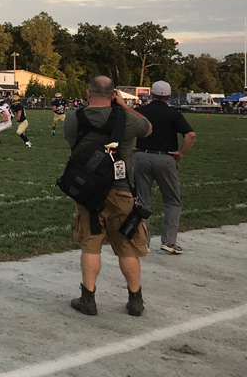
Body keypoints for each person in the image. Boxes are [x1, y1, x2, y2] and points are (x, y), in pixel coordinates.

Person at [64, 76, 152, 317]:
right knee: (127, 247)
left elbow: (72, 144)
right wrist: (123, 106)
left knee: (90, 244)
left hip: (87, 190)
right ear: (113, 94)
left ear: (88, 92)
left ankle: (88, 298)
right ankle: (135, 300)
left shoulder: (74, 117)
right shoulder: (126, 119)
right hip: (121, 188)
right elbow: (148, 128)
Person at [133, 80, 196, 255]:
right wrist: (181, 153)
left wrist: (131, 147)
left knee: (142, 201)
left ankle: (142, 242)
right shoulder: (173, 113)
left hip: (141, 156)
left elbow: (125, 127)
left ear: (151, 94)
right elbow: (190, 135)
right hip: (165, 158)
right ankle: (169, 241)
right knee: (172, 201)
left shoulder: (140, 111)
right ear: (168, 96)